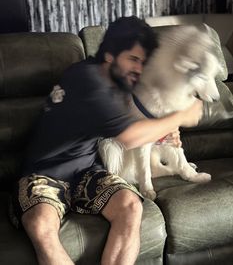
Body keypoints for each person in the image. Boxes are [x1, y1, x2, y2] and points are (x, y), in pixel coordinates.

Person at [12, 16, 203, 265]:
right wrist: (182, 116)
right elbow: (131, 137)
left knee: (132, 207)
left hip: (87, 171)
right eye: (133, 59)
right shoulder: (87, 78)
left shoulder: (119, 83)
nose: (139, 68)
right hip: (43, 172)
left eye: (143, 62)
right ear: (111, 55)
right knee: (40, 225)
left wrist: (165, 133)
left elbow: (139, 121)